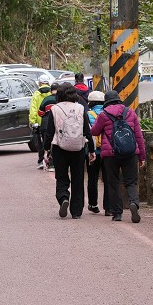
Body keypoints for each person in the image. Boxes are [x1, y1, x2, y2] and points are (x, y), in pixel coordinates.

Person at [89, 89, 147, 222]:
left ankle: (117, 213)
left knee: (113, 183)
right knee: (131, 182)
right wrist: (142, 156)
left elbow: (94, 131)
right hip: (131, 152)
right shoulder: (130, 112)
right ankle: (133, 203)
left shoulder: (104, 115)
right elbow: (139, 136)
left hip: (111, 154)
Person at [40, 84, 91, 218]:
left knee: (61, 177)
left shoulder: (54, 109)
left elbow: (50, 132)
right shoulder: (80, 108)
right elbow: (87, 131)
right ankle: (76, 212)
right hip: (78, 148)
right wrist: (91, 150)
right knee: (78, 179)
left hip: (59, 148)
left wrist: (46, 149)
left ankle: (63, 198)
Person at [85, 90, 106, 214]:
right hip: (107, 152)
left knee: (92, 179)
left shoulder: (87, 114)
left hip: (92, 151)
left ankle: (93, 204)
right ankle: (109, 207)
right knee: (108, 179)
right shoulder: (108, 114)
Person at [29, 81, 50, 168]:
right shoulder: (50, 93)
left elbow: (33, 108)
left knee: (38, 141)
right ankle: (49, 159)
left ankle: (41, 160)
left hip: (39, 122)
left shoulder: (36, 94)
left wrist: (32, 121)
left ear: (40, 83)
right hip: (49, 121)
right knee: (48, 140)